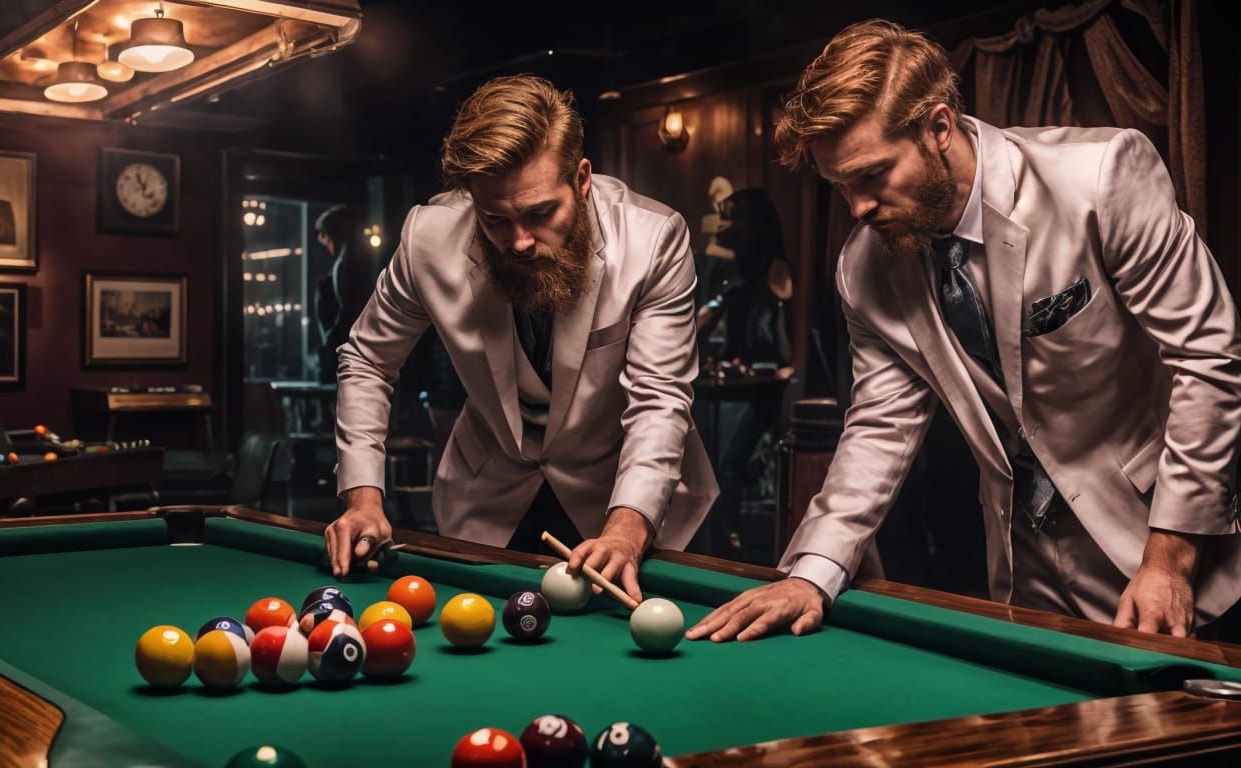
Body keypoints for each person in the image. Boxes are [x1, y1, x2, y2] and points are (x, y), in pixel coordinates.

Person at [688, 20, 1241, 643]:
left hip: (1181, 553)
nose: (858, 208)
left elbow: (1208, 358)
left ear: (939, 127)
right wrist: (811, 573)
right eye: (840, 186)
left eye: (871, 175)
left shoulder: (1100, 175)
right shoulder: (862, 264)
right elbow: (880, 425)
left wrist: (1170, 558)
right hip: (1027, 571)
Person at [325, 75, 718, 601]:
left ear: (581, 179)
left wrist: (627, 527)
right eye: (495, 219)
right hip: (488, 499)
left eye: (540, 213)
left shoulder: (652, 241)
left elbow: (660, 400)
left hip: (621, 501)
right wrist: (363, 499)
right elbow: (368, 360)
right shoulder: (428, 237)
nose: (520, 241)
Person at [696, 188, 797, 555]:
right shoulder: (734, 272)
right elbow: (703, 324)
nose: (729, 225)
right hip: (738, 387)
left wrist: (782, 304)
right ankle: (718, 540)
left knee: (731, 462)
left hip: (771, 389)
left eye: (736, 217)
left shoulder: (776, 269)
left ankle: (730, 544)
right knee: (718, 463)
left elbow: (787, 347)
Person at [313, 205, 372, 385]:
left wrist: (331, 342)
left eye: (326, 238)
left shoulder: (343, 266)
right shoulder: (359, 265)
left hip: (346, 357)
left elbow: (348, 312)